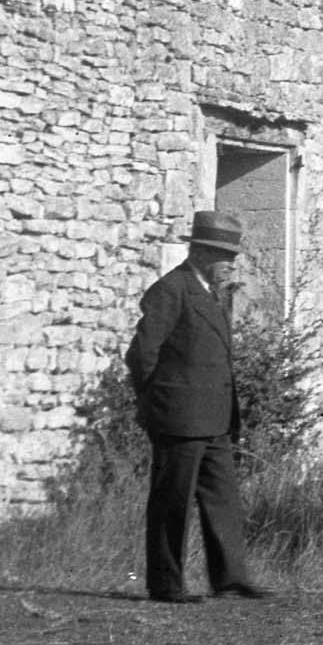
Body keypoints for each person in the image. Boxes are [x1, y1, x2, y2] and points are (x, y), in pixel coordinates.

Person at [125, 210, 275, 604]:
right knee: (172, 501)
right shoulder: (171, 290)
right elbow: (142, 354)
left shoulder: (213, 294)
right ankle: (167, 585)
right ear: (204, 253)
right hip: (178, 416)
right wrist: (158, 403)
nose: (232, 264)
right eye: (227, 256)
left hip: (213, 417)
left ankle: (230, 579)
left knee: (222, 498)